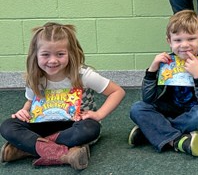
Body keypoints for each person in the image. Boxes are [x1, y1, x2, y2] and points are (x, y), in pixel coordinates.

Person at [0, 23, 125, 169]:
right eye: (45, 54)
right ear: (36, 55)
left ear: (70, 53)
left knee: (91, 128)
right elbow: (30, 101)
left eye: (60, 54)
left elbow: (117, 92)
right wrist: (24, 111)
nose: (53, 60)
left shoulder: (83, 75)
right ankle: (66, 153)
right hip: (41, 125)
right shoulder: (34, 77)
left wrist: (99, 114)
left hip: (73, 125)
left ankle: (26, 149)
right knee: (8, 126)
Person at [128, 10, 198, 157]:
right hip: (172, 108)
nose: (184, 45)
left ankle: (150, 130)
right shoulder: (167, 62)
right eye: (178, 40)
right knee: (137, 108)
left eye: (191, 39)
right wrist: (152, 71)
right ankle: (177, 139)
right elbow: (148, 98)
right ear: (169, 41)